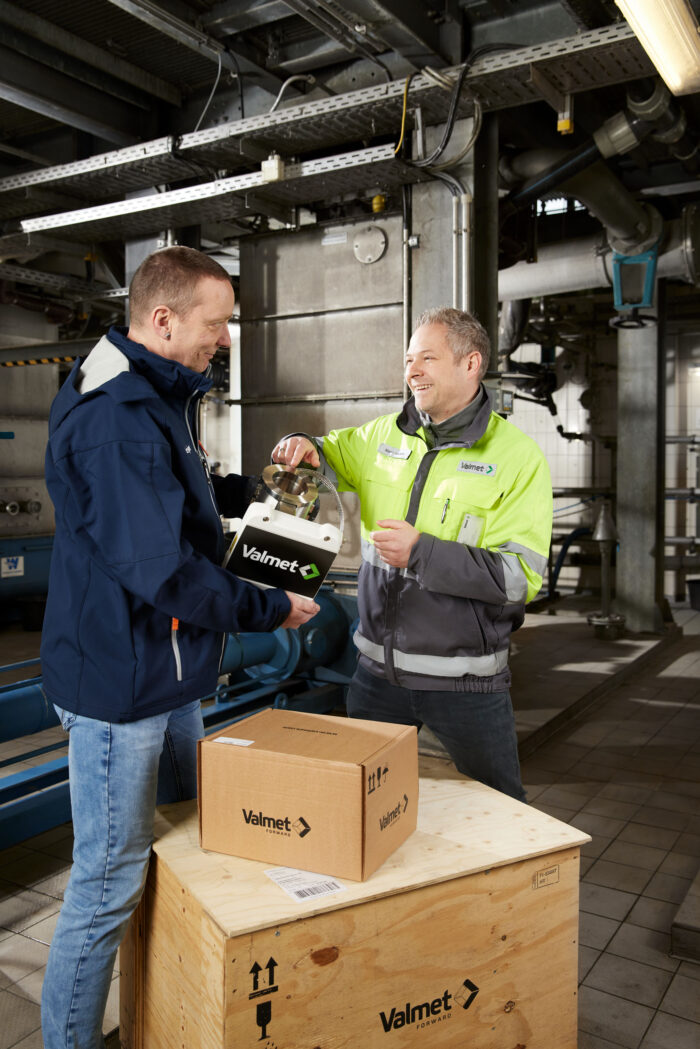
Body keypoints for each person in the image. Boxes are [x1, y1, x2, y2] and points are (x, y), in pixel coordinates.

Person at [40, 246, 319, 1049]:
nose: (224, 338)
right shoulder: (117, 416)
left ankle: (167, 1011)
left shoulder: (152, 396)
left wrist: (244, 492)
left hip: (164, 673)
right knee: (107, 882)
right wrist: (268, 607)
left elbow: (173, 498)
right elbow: (160, 568)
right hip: (121, 686)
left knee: (190, 842)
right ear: (162, 320)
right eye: (216, 322)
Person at [272, 306, 552, 803]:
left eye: (427, 358)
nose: (412, 371)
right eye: (407, 360)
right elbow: (328, 452)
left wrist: (422, 552)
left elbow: (519, 577)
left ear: (471, 365)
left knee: (503, 808)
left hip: (466, 682)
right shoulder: (384, 436)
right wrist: (303, 444)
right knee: (365, 805)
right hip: (376, 676)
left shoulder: (516, 457)